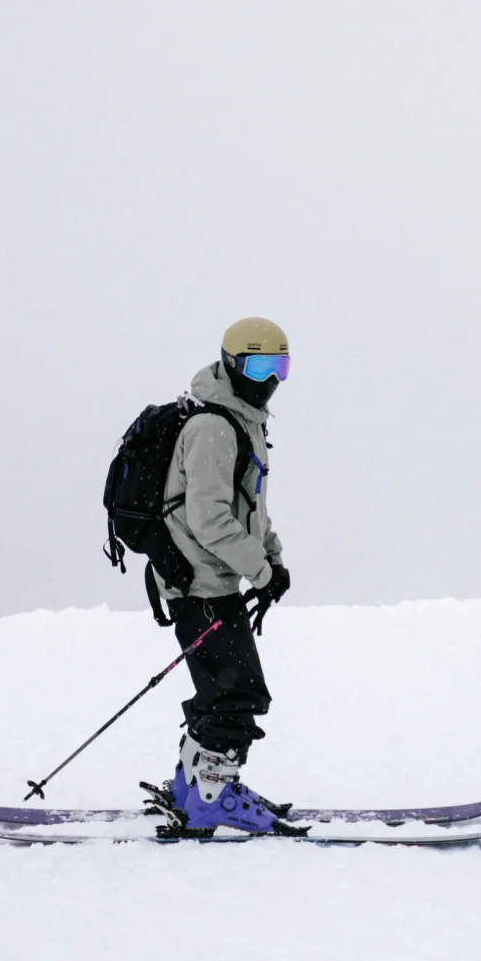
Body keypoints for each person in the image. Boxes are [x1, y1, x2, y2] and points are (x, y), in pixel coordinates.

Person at [152, 317, 302, 835]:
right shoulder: (213, 427)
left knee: (221, 689)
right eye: (261, 365)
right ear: (233, 362)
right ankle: (211, 797)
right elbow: (209, 518)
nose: (271, 379)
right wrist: (259, 571)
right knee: (238, 694)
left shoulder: (243, 421)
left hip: (212, 581)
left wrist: (272, 559)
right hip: (201, 584)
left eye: (280, 366)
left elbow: (250, 510)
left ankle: (192, 787)